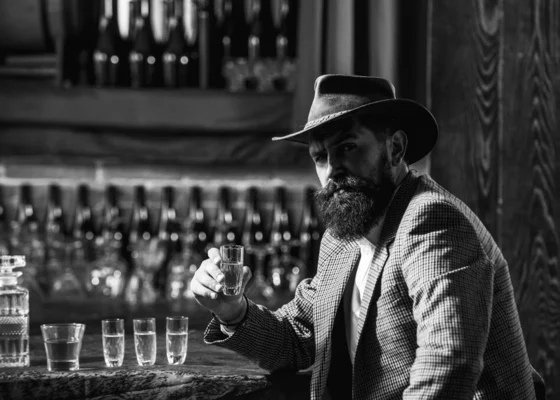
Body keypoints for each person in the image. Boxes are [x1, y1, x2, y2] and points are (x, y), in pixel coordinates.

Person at [190, 74, 541, 399]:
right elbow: (297, 337)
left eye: (347, 148)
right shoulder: (343, 236)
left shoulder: (431, 220)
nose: (331, 171)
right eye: (320, 157)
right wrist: (233, 311)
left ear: (395, 149)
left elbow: (447, 365)